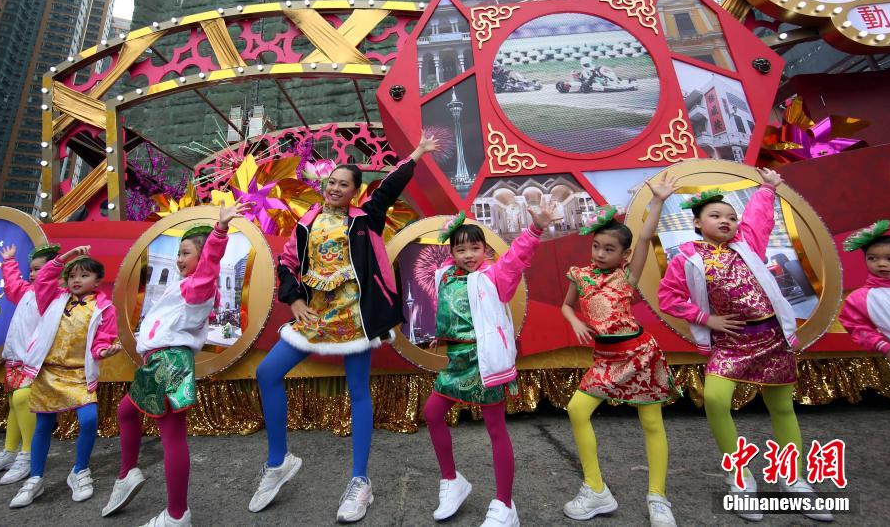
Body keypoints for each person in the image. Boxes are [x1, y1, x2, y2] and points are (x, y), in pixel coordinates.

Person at [249, 135, 438, 523]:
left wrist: (417, 153)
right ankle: (278, 461)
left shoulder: (364, 219)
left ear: (354, 192)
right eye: (331, 181)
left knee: (357, 393)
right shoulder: (305, 224)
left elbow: (388, 188)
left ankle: (360, 481)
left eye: (343, 184)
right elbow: (287, 265)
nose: (335, 188)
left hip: (354, 317)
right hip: (314, 316)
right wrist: (296, 299)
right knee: (267, 372)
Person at [657, 168, 832, 522]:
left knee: (782, 407)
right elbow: (668, 297)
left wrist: (768, 188)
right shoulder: (686, 258)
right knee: (717, 400)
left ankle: (793, 479)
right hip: (731, 343)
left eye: (731, 216)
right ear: (696, 224)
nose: (727, 221)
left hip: (771, 338)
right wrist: (707, 320)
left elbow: (758, 217)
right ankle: (740, 477)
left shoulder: (748, 244)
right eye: (716, 215)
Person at [103, 203, 251, 527]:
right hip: (158, 361)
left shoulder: (199, 286)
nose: (179, 259)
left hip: (168, 364)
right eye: (179, 253)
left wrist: (219, 232)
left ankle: (176, 515)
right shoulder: (179, 286)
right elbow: (162, 323)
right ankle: (128, 474)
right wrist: (129, 342)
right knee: (127, 412)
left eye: (185, 253)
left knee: (171, 437)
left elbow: (210, 266)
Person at [424, 204, 559, 527]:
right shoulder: (445, 275)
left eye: (475, 247)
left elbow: (515, 259)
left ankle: (504, 504)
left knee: (495, 428)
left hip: (485, 364)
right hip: (457, 362)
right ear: (452, 252)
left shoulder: (494, 275)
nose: (469, 254)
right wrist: (441, 337)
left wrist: (535, 229)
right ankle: (453, 481)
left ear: (486, 249)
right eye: (461, 249)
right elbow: (453, 311)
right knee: (431, 413)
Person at [559, 175, 678, 527]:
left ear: (623, 255)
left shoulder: (626, 276)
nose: (599, 254)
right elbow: (566, 306)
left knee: (651, 422)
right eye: (596, 246)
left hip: (640, 355)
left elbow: (643, 236)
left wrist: (656, 201)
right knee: (577, 410)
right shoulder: (580, 275)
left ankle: (658, 497)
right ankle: (596, 489)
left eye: (608, 249)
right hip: (605, 359)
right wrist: (575, 321)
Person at [9, 246, 120, 509]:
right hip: (48, 372)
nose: (76, 280)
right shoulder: (52, 297)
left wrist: (104, 350)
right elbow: (44, 278)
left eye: (84, 275)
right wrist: (63, 258)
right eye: (72, 276)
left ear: (97, 280)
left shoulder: (105, 307)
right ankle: (35, 479)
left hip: (79, 375)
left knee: (90, 419)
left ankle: (79, 471)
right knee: (43, 426)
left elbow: (102, 340)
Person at [0, 244, 60, 485]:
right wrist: (9, 262)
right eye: (31, 270)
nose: (33, 274)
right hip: (17, 357)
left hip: (36, 359)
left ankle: (28, 455)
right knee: (14, 401)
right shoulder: (27, 291)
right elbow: (12, 285)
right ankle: (10, 452)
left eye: (38, 270)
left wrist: (55, 267)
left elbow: (47, 282)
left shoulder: (50, 294)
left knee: (24, 399)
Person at [838, 220, 890, 367]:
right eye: (872, 258)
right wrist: (885, 347)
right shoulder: (859, 299)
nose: (881, 264)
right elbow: (855, 325)